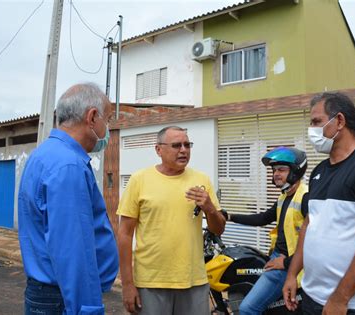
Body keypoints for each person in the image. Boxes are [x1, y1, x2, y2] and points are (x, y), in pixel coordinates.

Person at [283, 92, 355, 315]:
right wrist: (292, 274)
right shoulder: (319, 171)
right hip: (312, 297)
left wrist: (340, 298)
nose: (312, 130)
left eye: (317, 121)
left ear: (339, 121)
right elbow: (309, 225)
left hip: (353, 305)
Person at [18, 83, 119, 314]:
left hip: (49, 294)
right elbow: (73, 250)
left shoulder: (44, 155)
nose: (108, 128)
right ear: (92, 117)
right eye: (109, 119)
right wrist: (87, 309)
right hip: (62, 298)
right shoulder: (68, 165)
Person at [116, 126, 226, 315]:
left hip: (193, 281)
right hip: (150, 282)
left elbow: (218, 229)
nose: (183, 150)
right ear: (158, 150)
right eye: (176, 145)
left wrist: (209, 208)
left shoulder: (201, 180)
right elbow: (125, 234)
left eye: (187, 145)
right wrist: (127, 284)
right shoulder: (139, 180)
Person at [222, 146, 309, 315]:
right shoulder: (285, 196)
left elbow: (315, 242)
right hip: (281, 259)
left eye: (281, 170)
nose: (276, 174)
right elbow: (263, 218)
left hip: (289, 264)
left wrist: (284, 263)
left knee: (248, 309)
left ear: (296, 171)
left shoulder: (306, 197)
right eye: (274, 170)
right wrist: (229, 216)